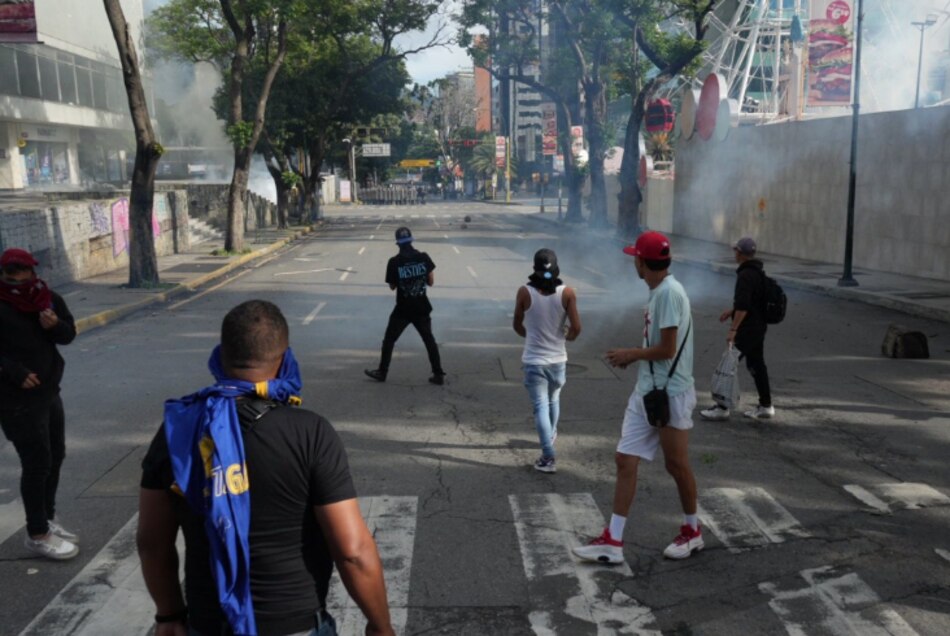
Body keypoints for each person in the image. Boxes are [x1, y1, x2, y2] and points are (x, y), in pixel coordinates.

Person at [138, 300, 394, 636]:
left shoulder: (178, 429)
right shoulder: (311, 433)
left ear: (219, 357)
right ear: (286, 360)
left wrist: (169, 616)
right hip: (296, 624)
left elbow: (152, 542)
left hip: (210, 623)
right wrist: (381, 627)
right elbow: (353, 551)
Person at [572, 232, 702, 564]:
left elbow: (668, 349)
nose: (633, 262)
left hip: (670, 393)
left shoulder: (669, 294)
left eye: (635, 258)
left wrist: (632, 354)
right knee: (624, 459)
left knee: (676, 465)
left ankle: (692, 531)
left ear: (642, 262)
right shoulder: (659, 291)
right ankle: (612, 541)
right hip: (647, 391)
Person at [0, 248, 79, 561]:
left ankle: (46, 518)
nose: (17, 280)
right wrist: (12, 370)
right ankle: (37, 534)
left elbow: (68, 334)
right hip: (13, 399)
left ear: (32, 272)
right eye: (10, 274)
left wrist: (54, 325)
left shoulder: (47, 298)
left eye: (23, 273)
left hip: (48, 392)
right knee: (36, 463)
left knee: (55, 455)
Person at [512, 249, 581, 473]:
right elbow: (576, 329)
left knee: (540, 406)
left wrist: (530, 335)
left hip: (535, 361)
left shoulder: (524, 292)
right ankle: (550, 434)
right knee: (553, 399)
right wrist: (567, 336)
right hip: (558, 360)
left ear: (535, 269)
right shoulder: (567, 293)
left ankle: (548, 456)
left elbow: (517, 325)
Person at [700, 237, 774, 421]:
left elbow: (744, 306)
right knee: (757, 364)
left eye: (736, 251)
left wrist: (733, 329)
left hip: (747, 328)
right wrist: (731, 311)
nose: (734, 254)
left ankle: (722, 407)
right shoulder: (758, 273)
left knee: (728, 364)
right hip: (759, 326)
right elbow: (752, 301)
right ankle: (766, 405)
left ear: (740, 253)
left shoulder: (745, 275)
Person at [365, 227, 446, 385]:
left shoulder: (394, 262)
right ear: (411, 241)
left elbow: (392, 287)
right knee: (429, 340)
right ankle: (438, 374)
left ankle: (382, 372)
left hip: (403, 309)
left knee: (389, 340)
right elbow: (431, 282)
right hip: (422, 307)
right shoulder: (423, 257)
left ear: (398, 244)